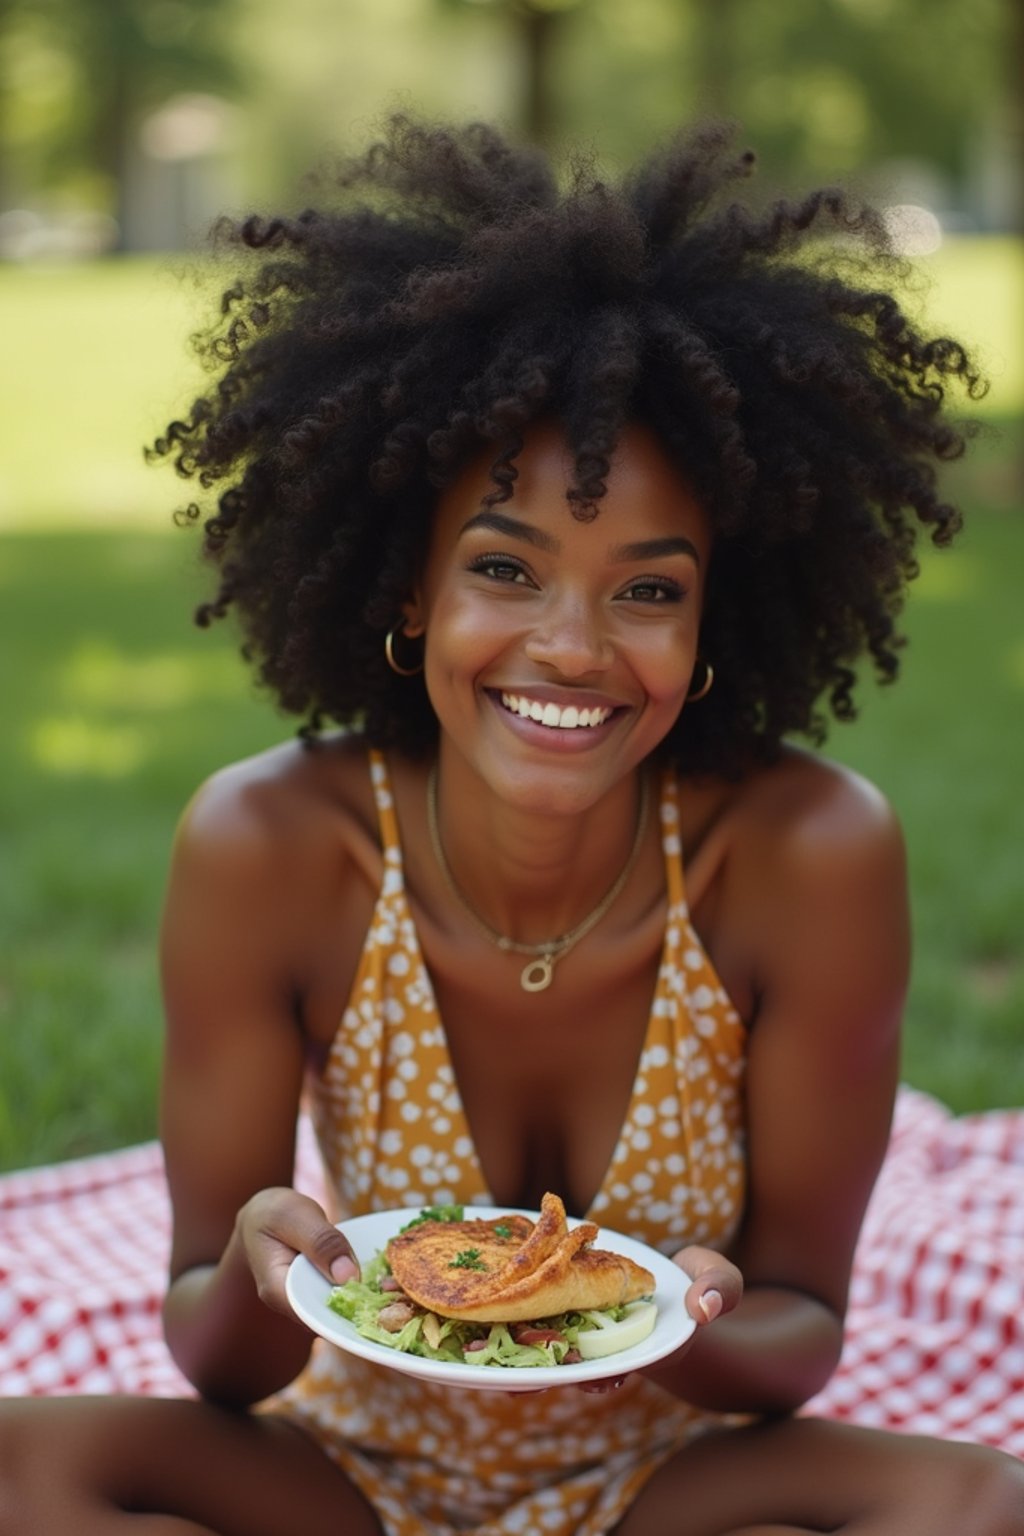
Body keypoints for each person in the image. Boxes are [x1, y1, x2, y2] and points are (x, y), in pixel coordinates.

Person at [1, 115, 1021, 1536]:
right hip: (342, 1479)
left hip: (669, 1484)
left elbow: (800, 1331)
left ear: (720, 611)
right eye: (504, 568)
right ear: (409, 593)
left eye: (649, 590)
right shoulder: (272, 845)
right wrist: (255, 1268)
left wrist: (693, 1318)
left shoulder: (808, 854)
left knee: (989, 1501)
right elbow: (216, 1366)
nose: (573, 646)